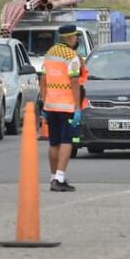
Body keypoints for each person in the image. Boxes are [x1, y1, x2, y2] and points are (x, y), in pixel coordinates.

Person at [39, 25, 82, 191]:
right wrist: (77, 107)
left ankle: (53, 178)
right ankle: (60, 177)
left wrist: (44, 101)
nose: (77, 40)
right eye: (76, 37)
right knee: (67, 141)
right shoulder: (71, 56)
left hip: (50, 105)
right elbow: (74, 82)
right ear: (70, 38)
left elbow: (42, 79)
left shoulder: (50, 53)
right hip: (66, 106)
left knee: (54, 142)